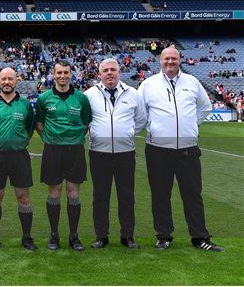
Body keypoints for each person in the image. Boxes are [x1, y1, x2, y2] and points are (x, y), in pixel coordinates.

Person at [137, 46, 224, 251]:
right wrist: (152, 128)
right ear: (160, 61)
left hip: (188, 149)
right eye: (166, 58)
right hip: (158, 149)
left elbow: (205, 107)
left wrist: (192, 126)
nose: (170, 62)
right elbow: (140, 113)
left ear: (180, 60)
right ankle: (164, 236)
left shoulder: (192, 82)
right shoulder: (148, 84)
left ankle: (200, 237)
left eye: (173, 58)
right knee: (160, 194)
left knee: (193, 194)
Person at [84, 58, 147, 249]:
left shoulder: (133, 94)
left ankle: (127, 236)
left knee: (126, 196)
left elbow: (141, 120)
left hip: (125, 153)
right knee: (100, 197)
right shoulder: (88, 95)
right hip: (99, 153)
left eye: (113, 69)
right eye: (105, 70)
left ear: (119, 72)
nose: (109, 73)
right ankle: (101, 236)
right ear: (99, 74)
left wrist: (125, 133)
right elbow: (84, 120)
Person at [35, 60, 92, 251]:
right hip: (53, 150)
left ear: (71, 74)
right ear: (53, 74)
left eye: (65, 72)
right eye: (59, 73)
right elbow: (40, 125)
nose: (62, 76)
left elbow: (85, 124)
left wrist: (73, 138)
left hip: (74, 150)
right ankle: (54, 235)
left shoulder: (81, 98)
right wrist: (51, 139)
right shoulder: (44, 98)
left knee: (73, 192)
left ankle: (74, 236)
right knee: (54, 192)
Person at [0, 67, 36, 250]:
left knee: (23, 197)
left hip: (19, 156)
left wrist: (17, 143)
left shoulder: (25, 104)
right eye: (3, 79)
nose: (6, 82)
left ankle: (27, 238)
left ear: (16, 81)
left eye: (10, 79)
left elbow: (30, 129)